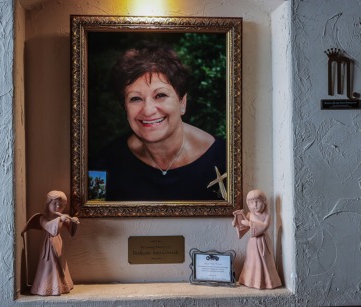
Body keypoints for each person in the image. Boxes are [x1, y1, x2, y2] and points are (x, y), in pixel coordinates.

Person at [91, 43, 226, 201]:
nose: (148, 110)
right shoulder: (99, 167)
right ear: (125, 108)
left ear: (182, 102)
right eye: (135, 98)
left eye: (160, 95)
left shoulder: (225, 160)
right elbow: (90, 218)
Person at [22, 191, 80, 295]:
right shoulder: (42, 218)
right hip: (48, 244)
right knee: (49, 264)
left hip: (58, 243)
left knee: (60, 264)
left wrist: (73, 222)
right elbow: (49, 228)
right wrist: (59, 220)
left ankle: (62, 285)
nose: (58, 207)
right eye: (55, 204)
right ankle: (47, 287)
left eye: (61, 205)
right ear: (48, 204)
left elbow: (71, 231)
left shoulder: (61, 217)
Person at [232, 190, 282, 289]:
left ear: (264, 202)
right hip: (253, 243)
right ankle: (250, 280)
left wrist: (250, 223)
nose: (254, 205)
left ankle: (266, 282)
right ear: (248, 204)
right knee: (252, 260)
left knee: (264, 261)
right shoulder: (250, 215)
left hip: (263, 242)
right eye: (251, 202)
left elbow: (264, 226)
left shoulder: (267, 216)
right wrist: (236, 223)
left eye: (257, 202)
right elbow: (244, 226)